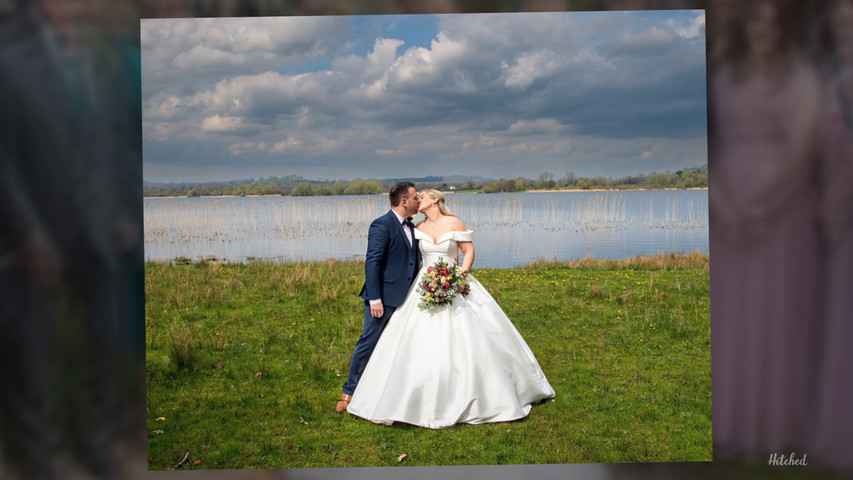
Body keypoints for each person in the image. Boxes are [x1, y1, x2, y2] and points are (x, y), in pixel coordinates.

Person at [346, 189, 555, 428]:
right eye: (416, 196)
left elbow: (468, 251)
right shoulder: (418, 228)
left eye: (422, 195)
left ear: (435, 199)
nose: (418, 199)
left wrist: (459, 278)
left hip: (456, 282)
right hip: (425, 286)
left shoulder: (453, 221)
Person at [336, 182, 421, 413]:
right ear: (404, 202)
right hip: (383, 298)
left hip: (408, 298)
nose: (418, 201)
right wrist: (375, 299)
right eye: (415, 197)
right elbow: (372, 262)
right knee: (369, 341)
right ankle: (349, 392)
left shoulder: (414, 227)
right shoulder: (381, 225)